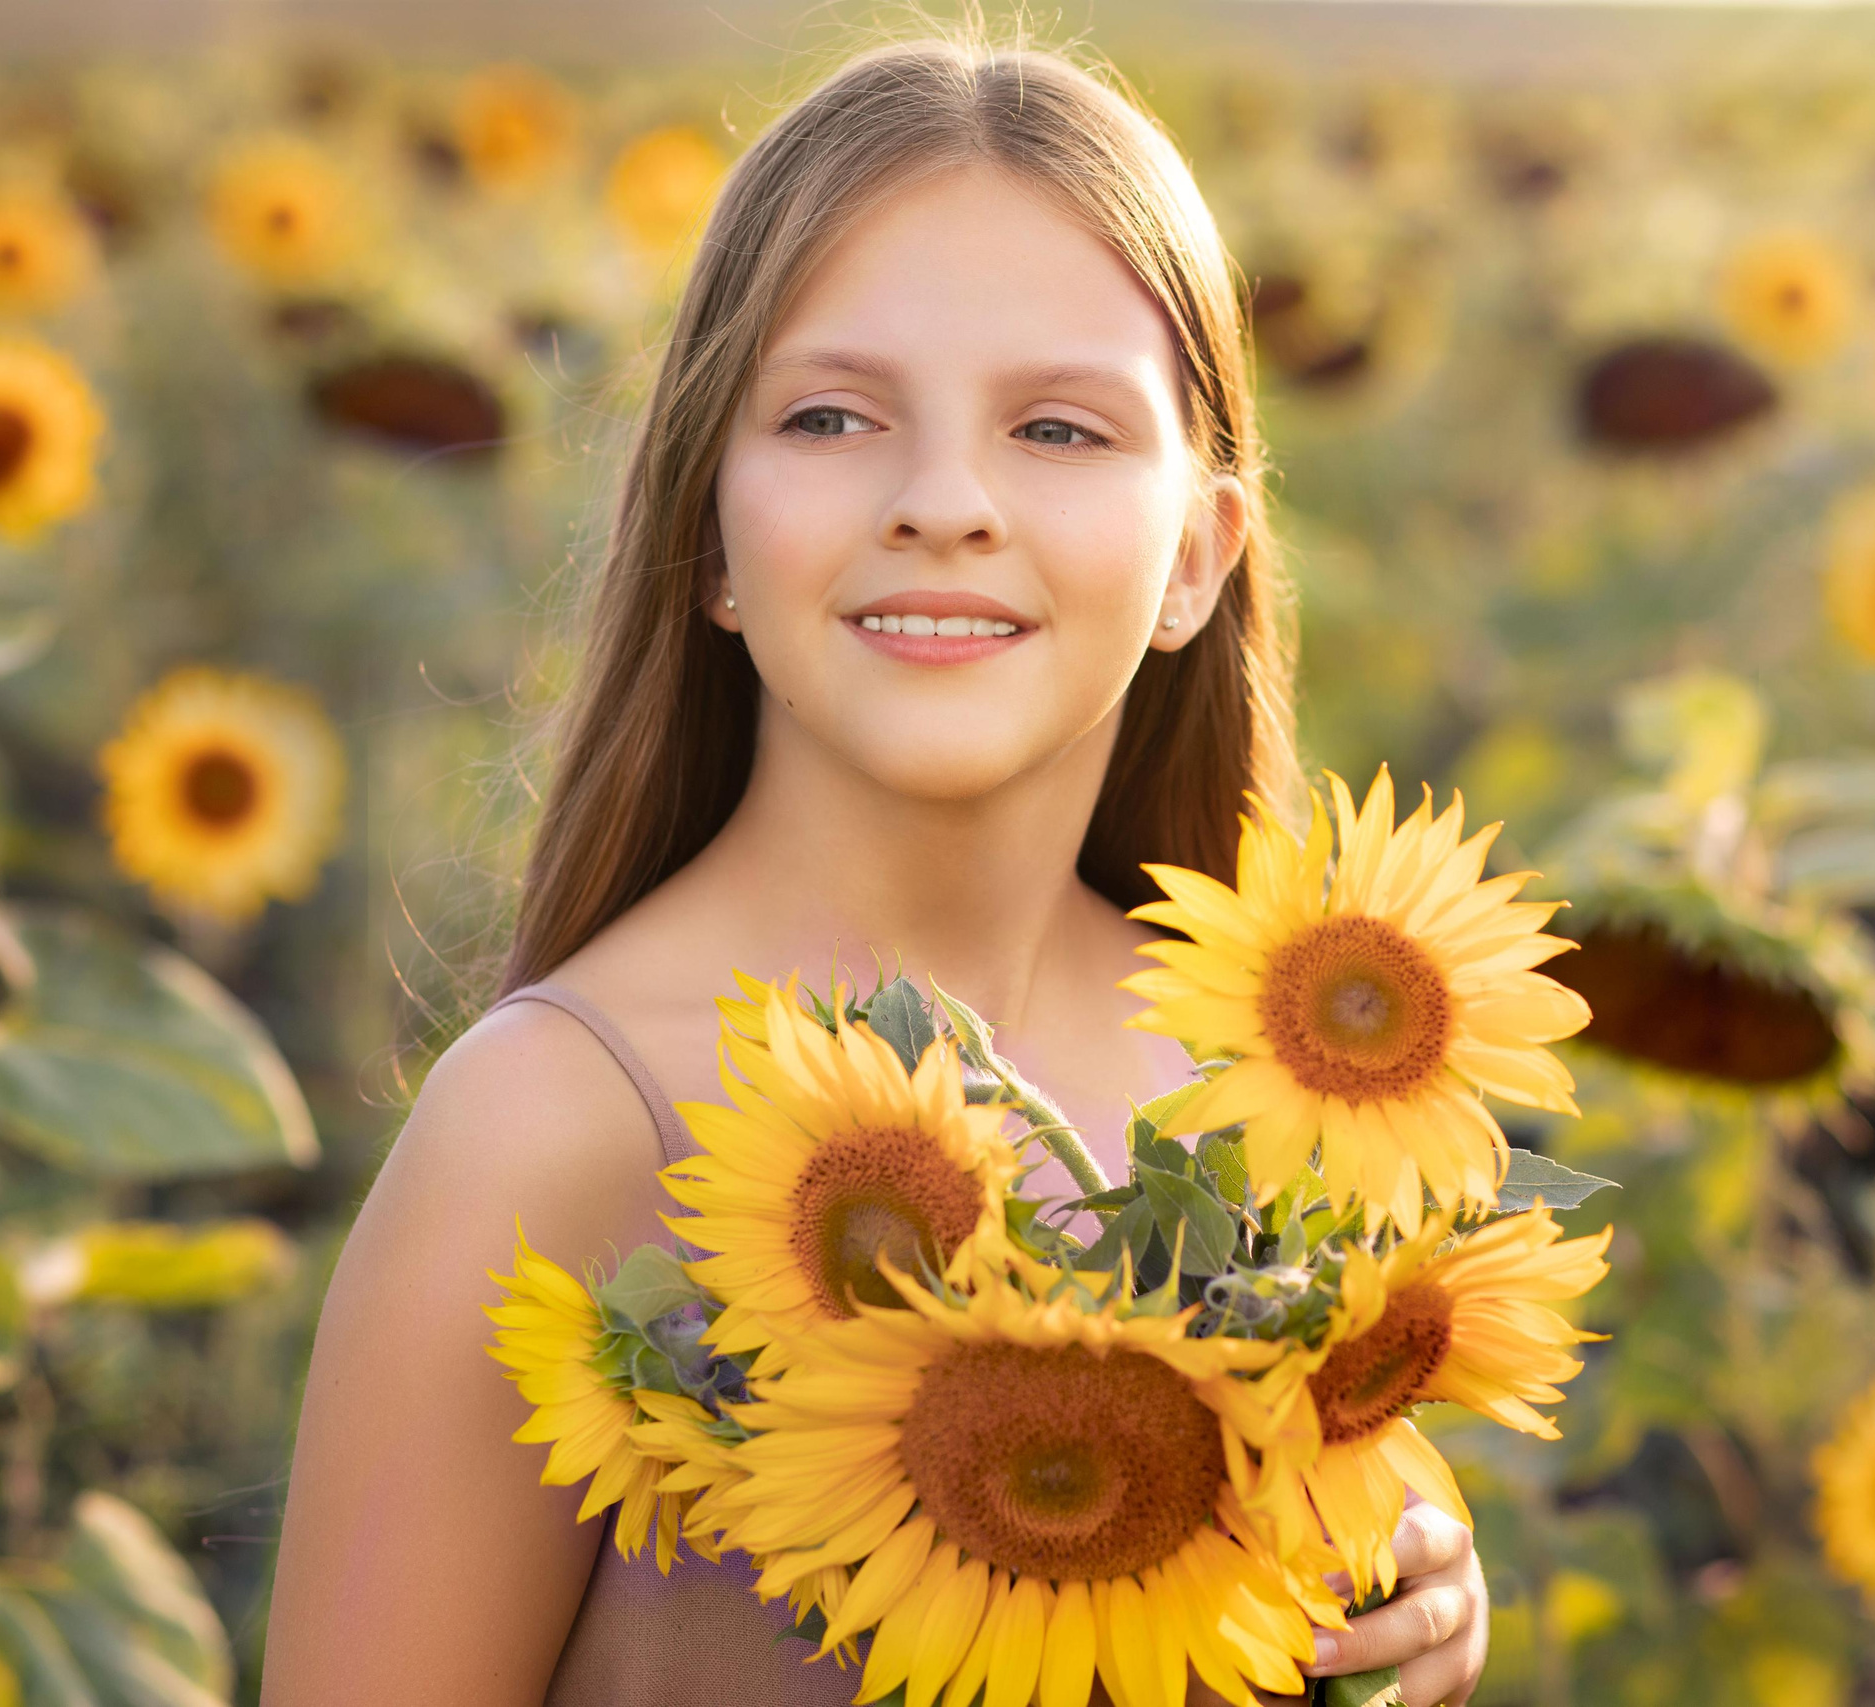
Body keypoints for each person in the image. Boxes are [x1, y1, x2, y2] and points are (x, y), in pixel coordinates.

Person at [263, 32, 1490, 1707]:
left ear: (1199, 557)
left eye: (1058, 430)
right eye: (833, 416)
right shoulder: (551, 1132)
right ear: (710, 531)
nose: (944, 502)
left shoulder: (1264, 1089)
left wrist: (1416, 1588)